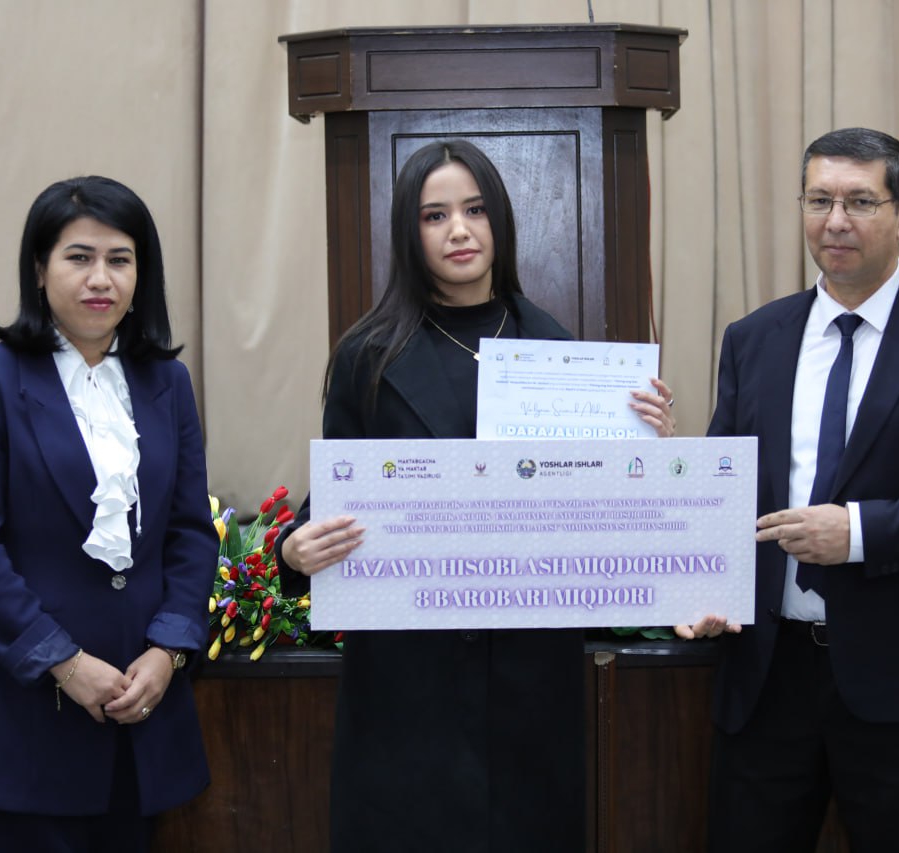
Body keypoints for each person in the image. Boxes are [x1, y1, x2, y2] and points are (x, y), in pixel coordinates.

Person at [274, 139, 675, 852]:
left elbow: (606, 511)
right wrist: (292, 550)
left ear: (500, 222)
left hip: (530, 678)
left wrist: (651, 447)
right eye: (435, 215)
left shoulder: (557, 350)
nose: (459, 230)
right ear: (409, 231)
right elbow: (331, 502)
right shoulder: (368, 354)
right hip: (407, 679)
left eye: (476, 209)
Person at [677, 128, 899, 852]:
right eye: (819, 200)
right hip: (768, 677)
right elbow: (726, 486)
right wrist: (701, 583)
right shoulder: (754, 337)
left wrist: (860, 532)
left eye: (860, 202)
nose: (835, 220)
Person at [0, 176, 218, 852]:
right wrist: (62, 661)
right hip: (28, 718)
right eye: (79, 257)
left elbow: (189, 531)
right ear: (39, 269)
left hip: (142, 714)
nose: (101, 278)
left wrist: (169, 649)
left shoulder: (167, 383)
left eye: (120, 259)